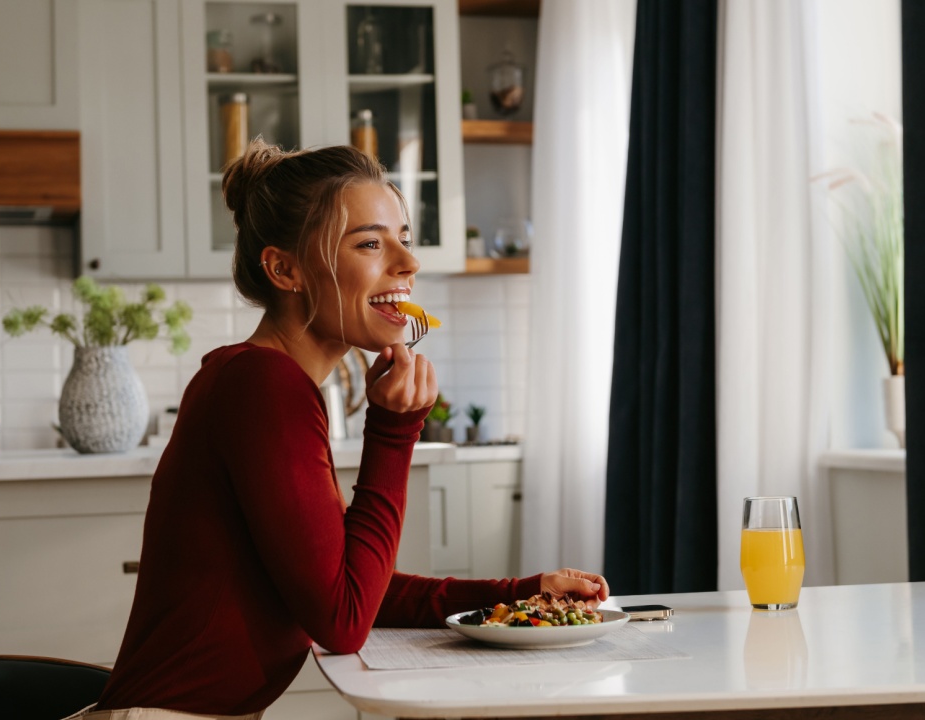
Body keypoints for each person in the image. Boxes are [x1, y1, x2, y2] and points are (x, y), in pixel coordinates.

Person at [82, 140, 610, 720]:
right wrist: (393, 431)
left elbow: (344, 586)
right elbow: (342, 620)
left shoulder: (267, 381)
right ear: (285, 269)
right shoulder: (262, 385)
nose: (408, 263)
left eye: (404, 239)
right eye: (369, 243)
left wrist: (520, 595)